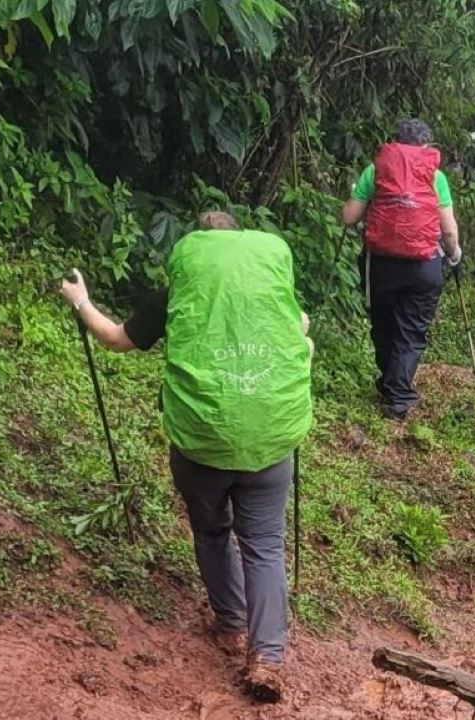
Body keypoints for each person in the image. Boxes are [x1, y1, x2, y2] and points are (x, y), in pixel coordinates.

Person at [57, 211, 312, 703]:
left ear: (195, 250)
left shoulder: (178, 294)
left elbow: (115, 338)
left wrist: (80, 300)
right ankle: (268, 658)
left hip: (201, 444)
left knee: (213, 529)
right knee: (264, 543)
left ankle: (230, 620)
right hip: (271, 439)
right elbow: (301, 328)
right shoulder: (272, 292)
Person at [341, 118, 462, 421]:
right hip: (424, 265)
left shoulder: (375, 170)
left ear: (393, 141)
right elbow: (448, 231)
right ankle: (399, 397)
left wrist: (357, 194)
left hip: (381, 263)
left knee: (383, 326)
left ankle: (390, 384)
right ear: (426, 146)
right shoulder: (435, 176)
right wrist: (455, 253)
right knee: (411, 331)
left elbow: (349, 218)